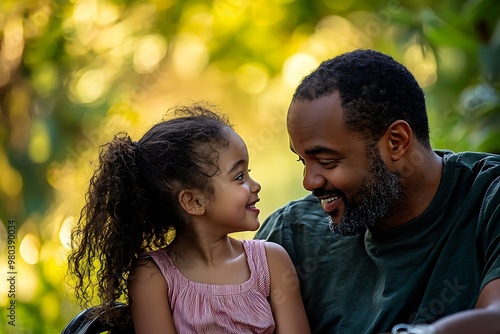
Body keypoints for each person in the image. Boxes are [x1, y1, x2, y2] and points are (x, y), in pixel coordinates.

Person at [255, 49, 500, 334]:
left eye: (326, 162)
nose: (309, 182)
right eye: (302, 160)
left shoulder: (488, 199)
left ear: (396, 142)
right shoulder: (290, 238)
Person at [68, 103, 311, 334]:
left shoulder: (272, 262)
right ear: (193, 202)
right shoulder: (153, 277)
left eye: (249, 173)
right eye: (239, 177)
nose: (255, 185)